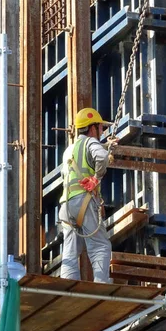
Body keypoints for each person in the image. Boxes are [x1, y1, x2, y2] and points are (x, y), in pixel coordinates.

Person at [59, 108, 114, 283]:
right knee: (100, 246)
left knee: (70, 251)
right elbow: (102, 157)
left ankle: (68, 288)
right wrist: (96, 178)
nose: (102, 131)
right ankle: (100, 287)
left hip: (66, 206)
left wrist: (106, 145)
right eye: (101, 128)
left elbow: (89, 157)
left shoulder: (69, 150)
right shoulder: (91, 142)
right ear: (93, 128)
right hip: (84, 200)